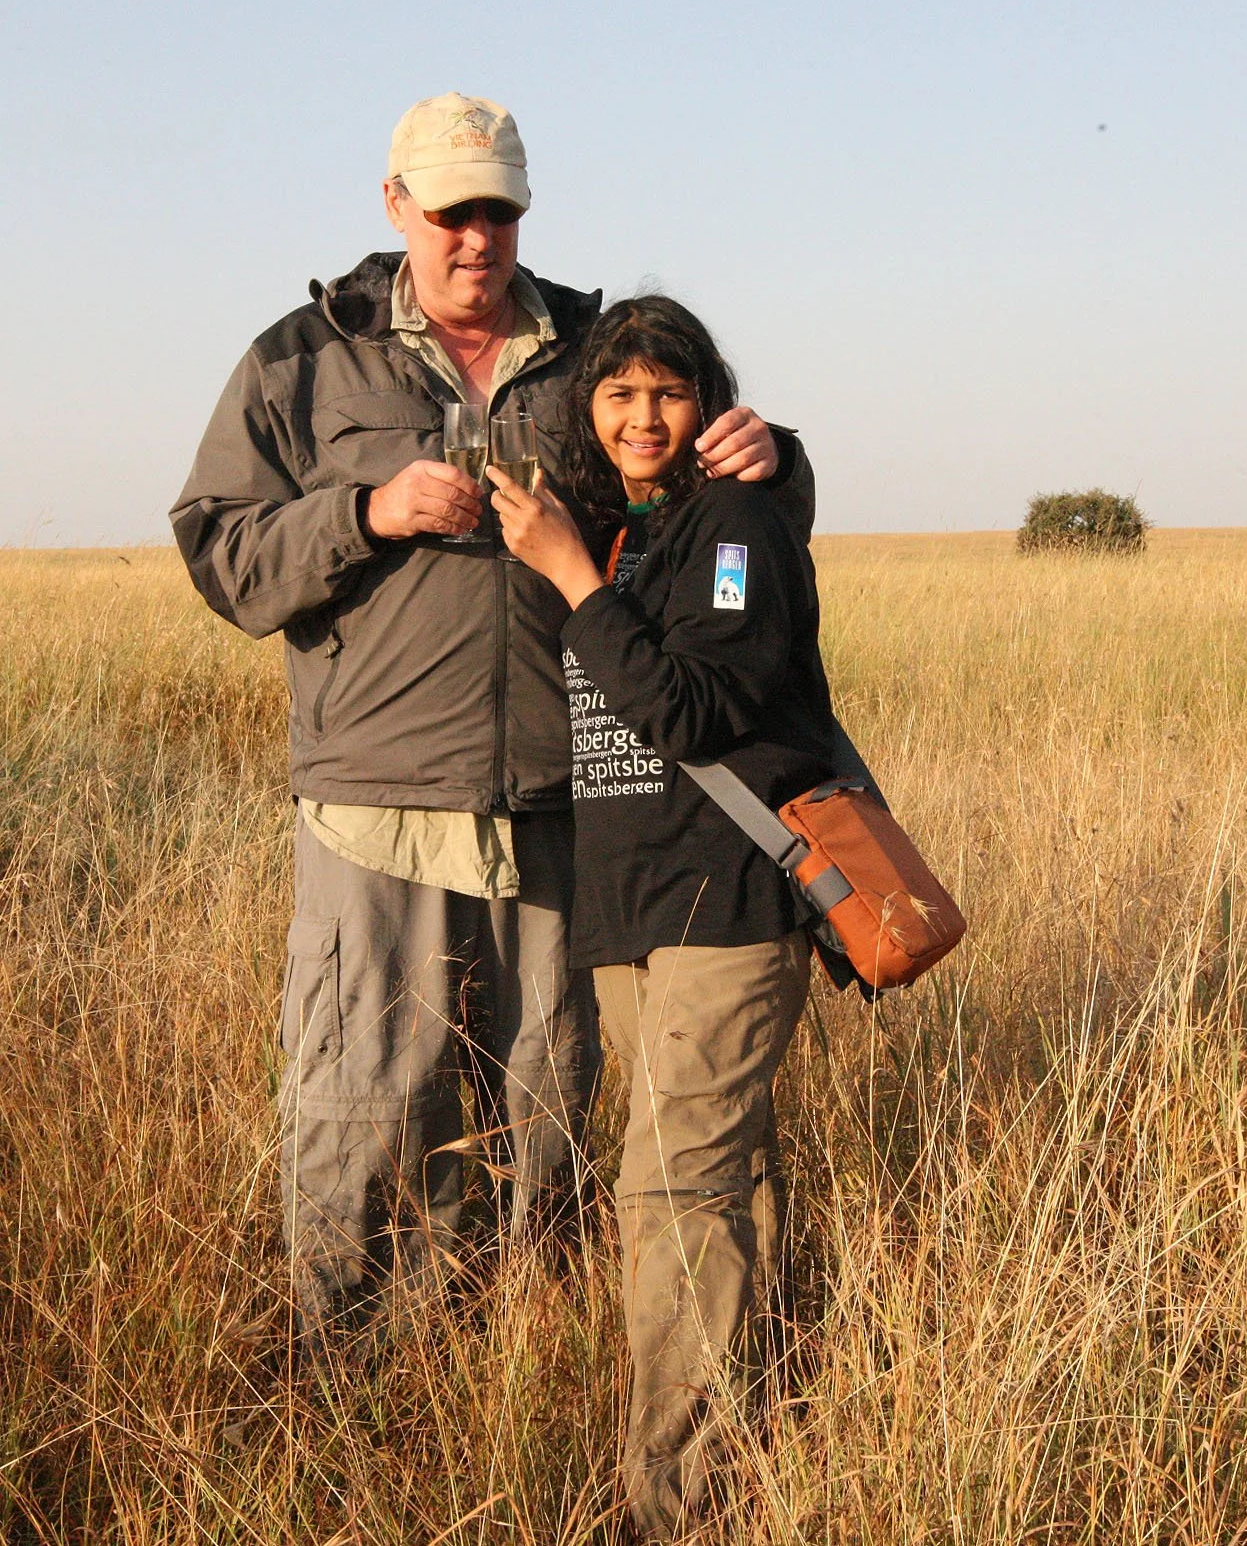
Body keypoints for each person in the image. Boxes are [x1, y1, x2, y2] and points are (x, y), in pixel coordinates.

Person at [169, 95, 814, 1354]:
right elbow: (219, 554)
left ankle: (522, 1347)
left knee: (549, 1092)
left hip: (565, 800)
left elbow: (697, 476)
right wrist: (362, 512)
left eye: (499, 211)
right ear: (395, 204)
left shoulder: (590, 349)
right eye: (452, 210)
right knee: (366, 1097)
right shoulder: (302, 357)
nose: (477, 237)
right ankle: (353, 1369)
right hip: (376, 803)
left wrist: (771, 454)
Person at [489, 296, 840, 1540]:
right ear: (589, 408)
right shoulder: (624, 533)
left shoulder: (730, 524)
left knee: (668, 1191)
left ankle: (671, 1504)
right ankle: (759, 1416)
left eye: (669, 392)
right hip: (633, 908)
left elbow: (694, 709)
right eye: (618, 393)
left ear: (708, 404)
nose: (643, 416)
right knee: (715, 1178)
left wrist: (574, 578)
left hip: (725, 904)